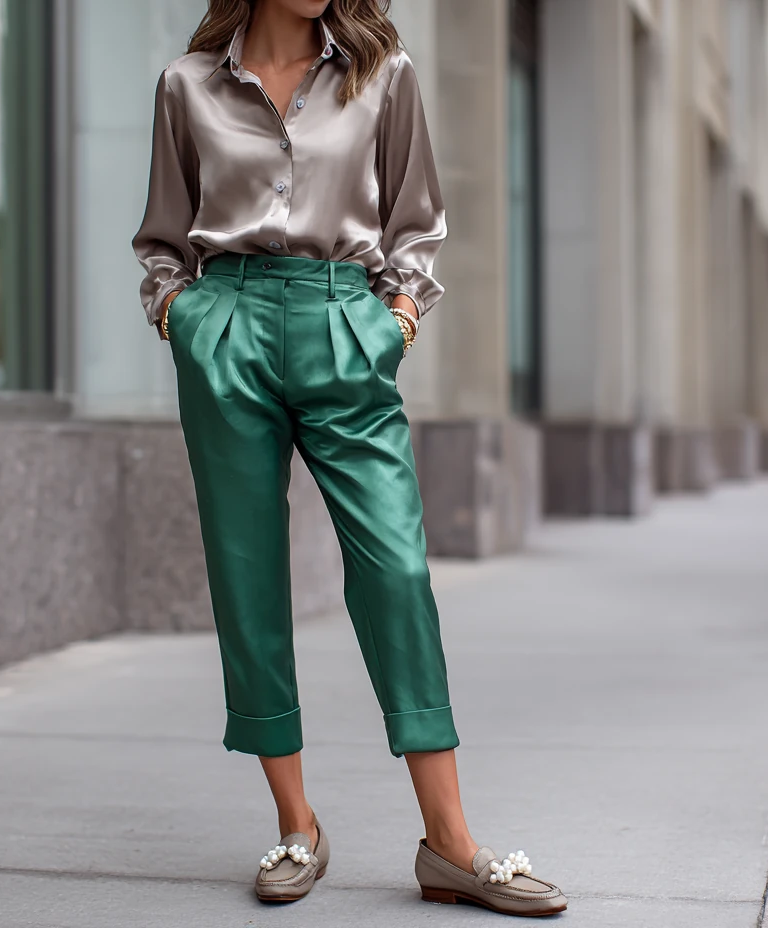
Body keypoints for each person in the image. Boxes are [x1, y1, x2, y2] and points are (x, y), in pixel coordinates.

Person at [133, 0, 566, 916]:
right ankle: (298, 825)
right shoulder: (187, 86)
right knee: (248, 577)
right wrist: (183, 316)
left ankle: (449, 844)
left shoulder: (383, 74)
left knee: (397, 570)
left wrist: (396, 320)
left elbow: (417, 221)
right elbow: (163, 241)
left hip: (343, 320)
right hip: (227, 328)